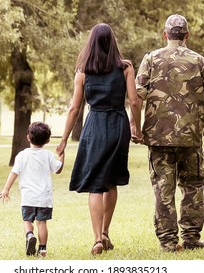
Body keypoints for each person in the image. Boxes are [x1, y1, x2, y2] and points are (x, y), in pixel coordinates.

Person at [133, 14, 204, 252]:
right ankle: (191, 238)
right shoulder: (200, 61)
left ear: (165, 35)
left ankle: (168, 241)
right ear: (187, 36)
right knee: (192, 186)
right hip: (190, 137)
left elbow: (136, 98)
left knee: (163, 188)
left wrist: (135, 126)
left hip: (158, 137)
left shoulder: (151, 59)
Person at [56, 23, 142, 255]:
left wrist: (63, 140)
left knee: (95, 184)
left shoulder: (83, 72)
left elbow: (74, 109)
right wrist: (138, 129)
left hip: (94, 127)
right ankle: (105, 233)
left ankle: (96, 238)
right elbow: (134, 101)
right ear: (112, 41)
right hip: (117, 125)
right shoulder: (125, 68)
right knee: (111, 181)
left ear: (91, 43)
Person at [0, 121, 64, 257]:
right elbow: (58, 169)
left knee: (27, 221)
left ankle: (29, 235)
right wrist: (61, 154)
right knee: (42, 223)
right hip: (44, 198)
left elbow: (14, 173)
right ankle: (43, 249)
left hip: (28, 197)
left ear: (28, 137)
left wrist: (6, 189)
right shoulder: (48, 155)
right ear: (48, 140)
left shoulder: (22, 155)